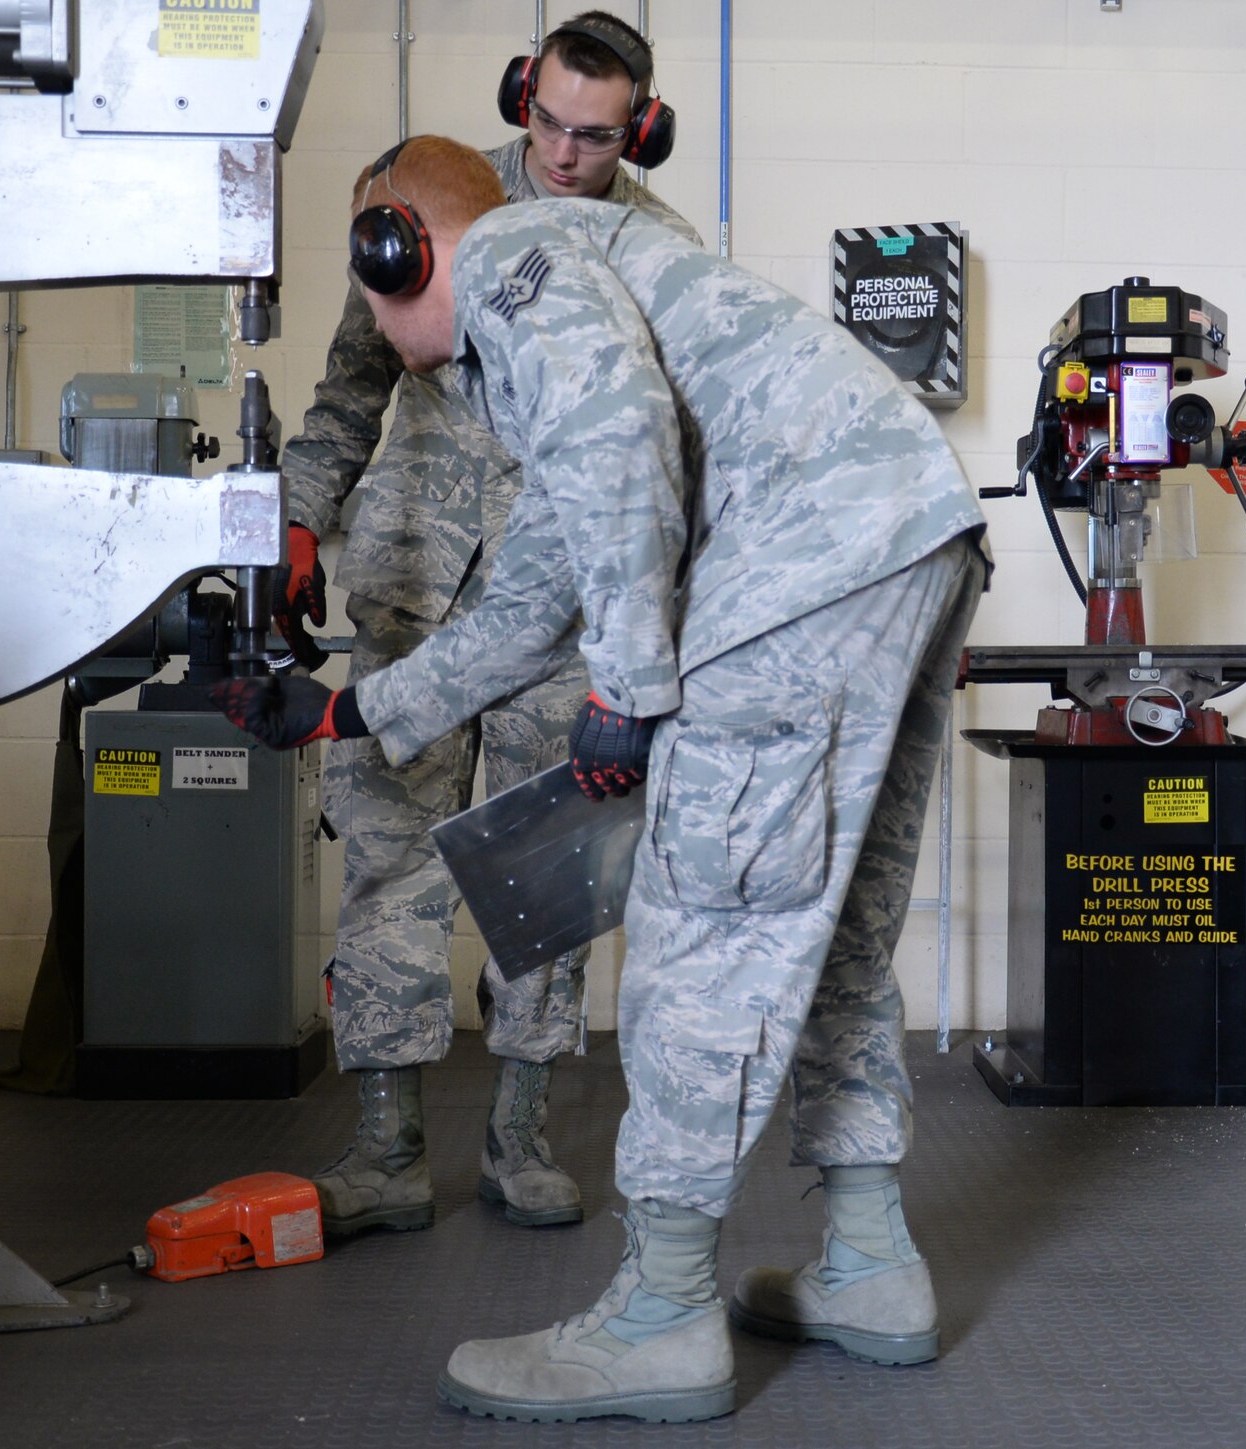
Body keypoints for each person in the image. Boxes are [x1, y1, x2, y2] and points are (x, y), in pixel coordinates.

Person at [216, 135, 989, 1424]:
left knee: (707, 922)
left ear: (392, 244)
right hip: (900, 537)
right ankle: (868, 1259)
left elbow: (622, 436)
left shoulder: (520, 258)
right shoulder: (583, 285)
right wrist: (347, 707)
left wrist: (626, 690)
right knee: (830, 924)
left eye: (368, 271)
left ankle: (663, 1314)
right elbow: (537, 587)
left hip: (799, 565)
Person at [276, 14, 696, 1234]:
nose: (563, 154)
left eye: (596, 135)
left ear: (641, 131)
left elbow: (652, 475)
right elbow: (347, 391)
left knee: (549, 883)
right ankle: (388, 1150)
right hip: (410, 591)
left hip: (558, 627)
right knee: (387, 867)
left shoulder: (647, 253)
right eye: (548, 122)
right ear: (522, 97)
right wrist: (298, 519)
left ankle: (516, 1141)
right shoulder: (432, 210)